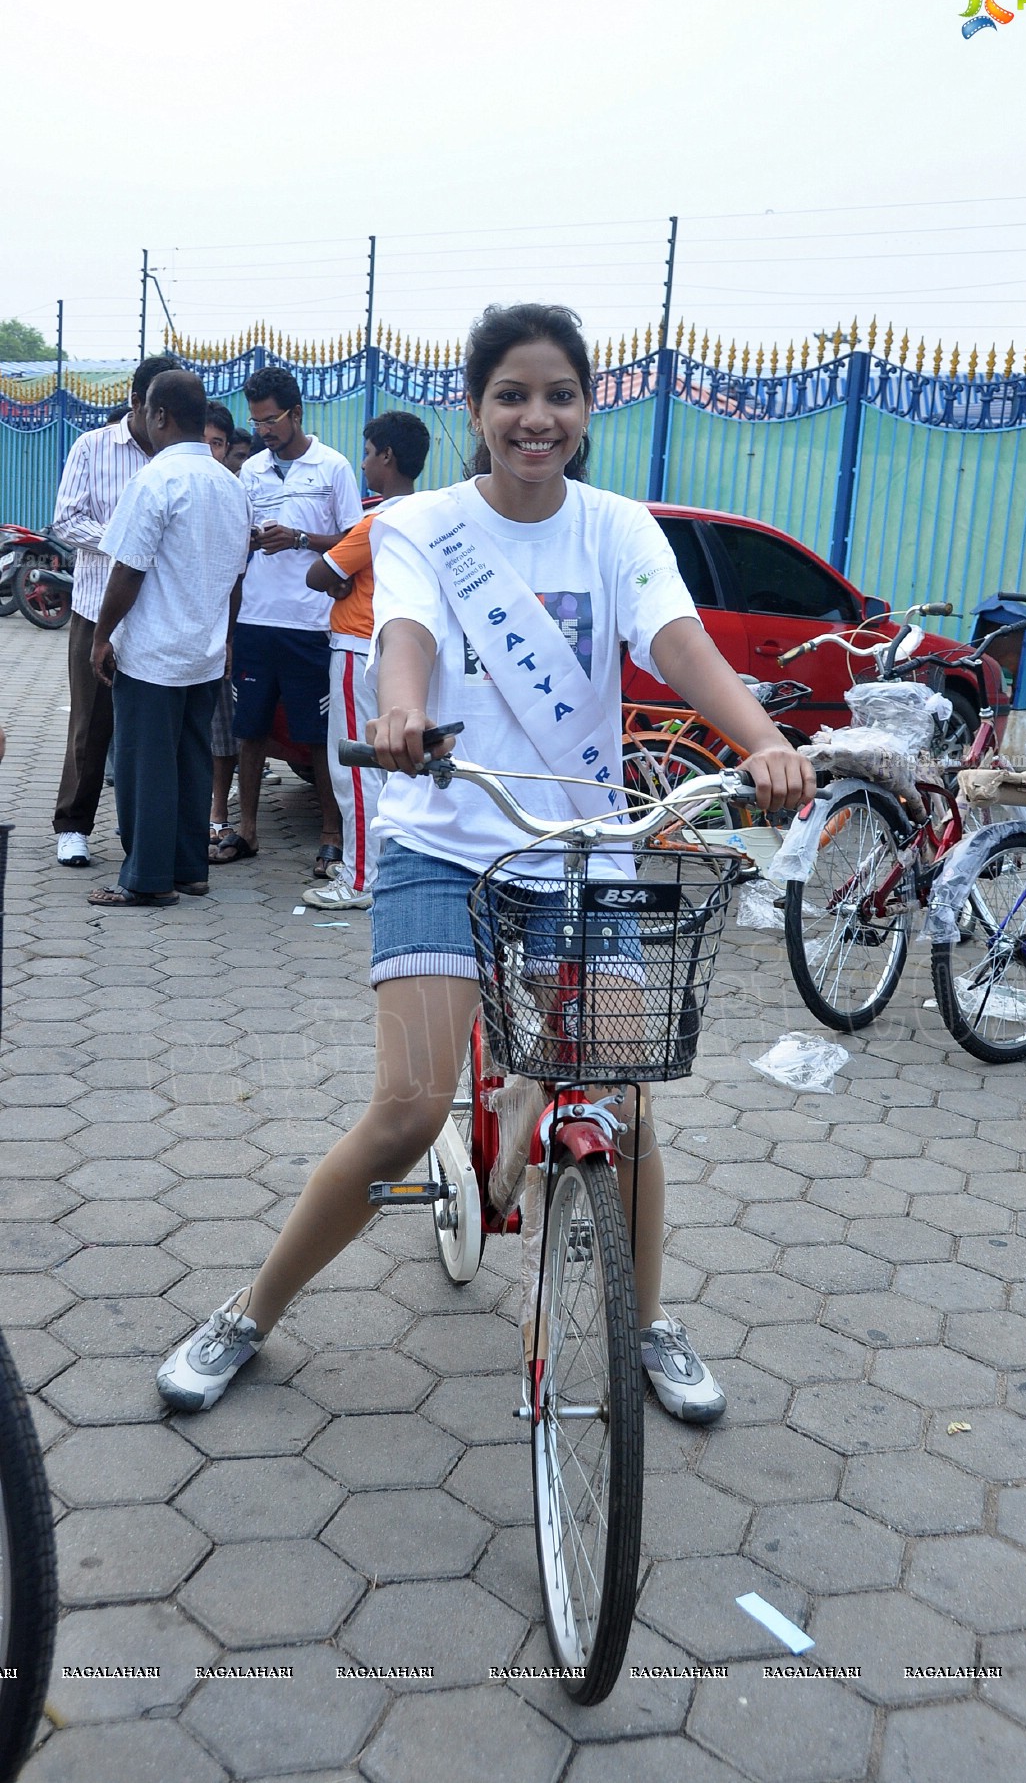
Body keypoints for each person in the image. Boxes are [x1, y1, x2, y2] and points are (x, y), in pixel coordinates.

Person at [155, 302, 814, 1422]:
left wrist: (761, 742)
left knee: (625, 1098)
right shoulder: (422, 525)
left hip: (571, 845)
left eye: (559, 393)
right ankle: (249, 1312)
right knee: (408, 1110)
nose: (536, 416)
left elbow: (676, 643)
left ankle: (644, 1322)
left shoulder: (616, 530)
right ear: (474, 408)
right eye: (512, 394)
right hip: (443, 843)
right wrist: (401, 711)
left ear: (587, 409)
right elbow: (403, 631)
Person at [86, 370, 252, 906]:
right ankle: (189, 870)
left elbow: (128, 569)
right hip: (204, 652)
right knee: (191, 763)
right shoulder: (231, 483)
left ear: (159, 415)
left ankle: (147, 879)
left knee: (144, 766)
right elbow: (236, 576)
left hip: (154, 654)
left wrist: (101, 636)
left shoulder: (156, 480)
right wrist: (225, 639)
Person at [213, 367, 361, 871]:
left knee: (318, 735)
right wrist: (230, 630)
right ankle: (247, 831)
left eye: (272, 420)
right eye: (256, 423)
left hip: (312, 624)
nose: (264, 431)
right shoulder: (251, 471)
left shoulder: (333, 468)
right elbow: (236, 550)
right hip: (256, 620)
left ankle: (331, 834)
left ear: (297, 414)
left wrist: (298, 539)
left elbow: (352, 542)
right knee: (249, 729)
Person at [49, 353, 180, 867]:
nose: (164, 423)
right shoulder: (93, 447)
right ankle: (73, 826)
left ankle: (146, 836)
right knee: (90, 724)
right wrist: (128, 544)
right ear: (138, 404)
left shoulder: (181, 459)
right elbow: (66, 520)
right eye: (158, 411)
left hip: (159, 613)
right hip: (95, 608)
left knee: (150, 731)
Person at [301, 410, 431, 910]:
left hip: (359, 647)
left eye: (369, 453)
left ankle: (360, 879)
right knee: (395, 768)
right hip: (403, 651)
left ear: (387, 457)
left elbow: (319, 573)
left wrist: (342, 581)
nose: (364, 463)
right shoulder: (426, 514)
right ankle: (382, 868)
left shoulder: (377, 521)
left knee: (355, 769)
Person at [204, 403, 242, 845]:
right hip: (175, 633)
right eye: (204, 442)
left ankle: (218, 811)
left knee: (222, 726)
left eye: (217, 443)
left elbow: (237, 575)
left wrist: (230, 635)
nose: (211, 451)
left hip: (226, 627)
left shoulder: (235, 493)